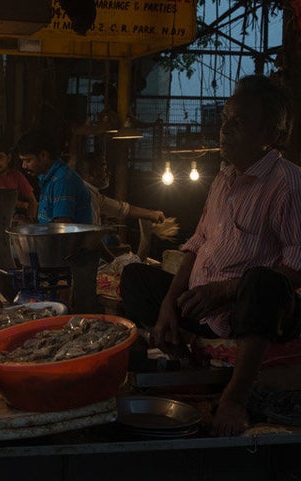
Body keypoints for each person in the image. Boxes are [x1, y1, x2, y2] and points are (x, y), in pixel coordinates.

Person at [120, 75, 301, 436]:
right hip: (204, 309)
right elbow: (197, 243)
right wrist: (169, 305)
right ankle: (182, 352)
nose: (225, 130)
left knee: (264, 283)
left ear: (271, 135)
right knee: (134, 277)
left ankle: (236, 396)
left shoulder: (289, 183)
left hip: (256, 311)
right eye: (224, 121)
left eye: (240, 123)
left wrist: (226, 290)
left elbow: (296, 268)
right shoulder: (223, 178)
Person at [16, 129, 92, 224]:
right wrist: (29, 223)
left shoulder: (62, 181)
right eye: (22, 161)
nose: (24, 166)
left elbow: (62, 228)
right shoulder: (48, 178)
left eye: (28, 161)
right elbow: (48, 223)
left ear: (43, 155)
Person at [76, 154, 164, 226]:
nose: (108, 173)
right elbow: (90, 234)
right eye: (104, 169)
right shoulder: (86, 197)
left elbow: (121, 208)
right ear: (92, 174)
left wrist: (151, 214)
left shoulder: (94, 195)